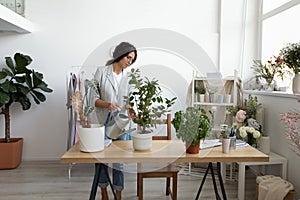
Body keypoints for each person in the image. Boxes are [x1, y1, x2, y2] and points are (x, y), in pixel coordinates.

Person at [94, 42, 137, 200]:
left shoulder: (128, 77)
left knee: (119, 159)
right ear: (120, 54)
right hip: (104, 120)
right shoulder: (101, 72)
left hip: (121, 122)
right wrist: (108, 104)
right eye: (128, 57)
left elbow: (130, 100)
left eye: (132, 59)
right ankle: (103, 191)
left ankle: (118, 193)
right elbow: (93, 99)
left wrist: (132, 109)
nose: (129, 61)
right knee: (101, 158)